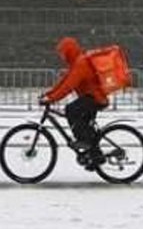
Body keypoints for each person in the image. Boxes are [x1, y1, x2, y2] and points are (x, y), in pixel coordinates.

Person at [39, 36, 109, 166]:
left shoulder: (81, 63)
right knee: (84, 125)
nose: (62, 57)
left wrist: (52, 99)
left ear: (69, 51)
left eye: (63, 53)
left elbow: (68, 86)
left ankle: (86, 144)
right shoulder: (76, 62)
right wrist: (49, 94)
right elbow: (64, 82)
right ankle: (95, 156)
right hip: (92, 98)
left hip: (95, 98)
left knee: (71, 110)